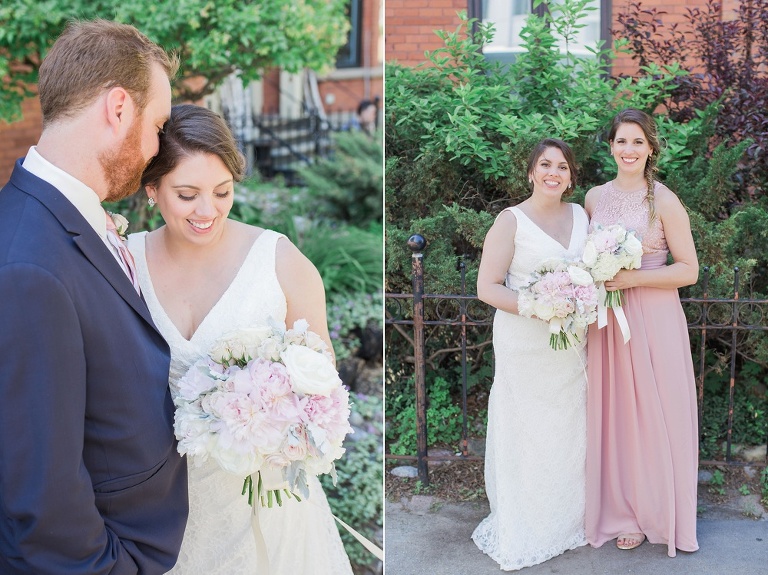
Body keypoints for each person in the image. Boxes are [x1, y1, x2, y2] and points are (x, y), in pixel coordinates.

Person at [126, 104, 354, 574]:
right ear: (152, 189)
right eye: (187, 194)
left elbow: (322, 386)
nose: (207, 211)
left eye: (222, 191)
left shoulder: (280, 262)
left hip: (268, 499)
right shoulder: (125, 264)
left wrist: (275, 415)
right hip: (159, 507)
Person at [0, 20, 188, 574]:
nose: (156, 148)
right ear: (119, 108)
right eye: (157, 126)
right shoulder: (28, 265)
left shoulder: (60, 219)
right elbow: (40, 494)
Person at [584, 108, 699, 556]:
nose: (628, 150)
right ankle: (624, 511)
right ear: (610, 147)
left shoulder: (663, 201)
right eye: (620, 141)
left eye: (637, 142)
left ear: (651, 148)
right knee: (616, 414)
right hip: (608, 320)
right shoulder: (594, 197)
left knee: (657, 412)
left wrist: (632, 279)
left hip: (653, 313)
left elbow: (688, 270)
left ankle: (660, 510)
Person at [472, 139, 589, 570]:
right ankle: (530, 524)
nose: (553, 173)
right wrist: (537, 305)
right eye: (545, 165)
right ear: (531, 172)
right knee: (529, 430)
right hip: (525, 342)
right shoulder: (511, 221)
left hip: (572, 343)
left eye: (562, 166)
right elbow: (488, 286)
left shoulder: (581, 216)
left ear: (571, 177)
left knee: (569, 427)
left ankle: (568, 520)